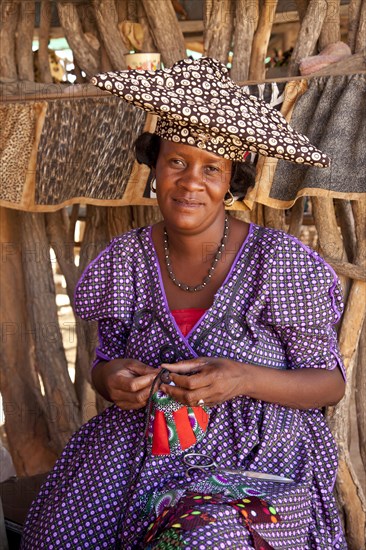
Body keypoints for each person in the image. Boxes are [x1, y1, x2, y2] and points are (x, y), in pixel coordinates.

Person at [21, 58, 346, 549]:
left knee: (201, 539)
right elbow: (104, 365)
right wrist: (113, 380)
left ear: (231, 178)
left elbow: (330, 384)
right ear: (155, 165)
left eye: (211, 168)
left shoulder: (278, 263)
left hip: (255, 460)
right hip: (134, 452)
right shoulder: (126, 260)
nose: (192, 181)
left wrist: (244, 378)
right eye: (177, 161)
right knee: (62, 534)